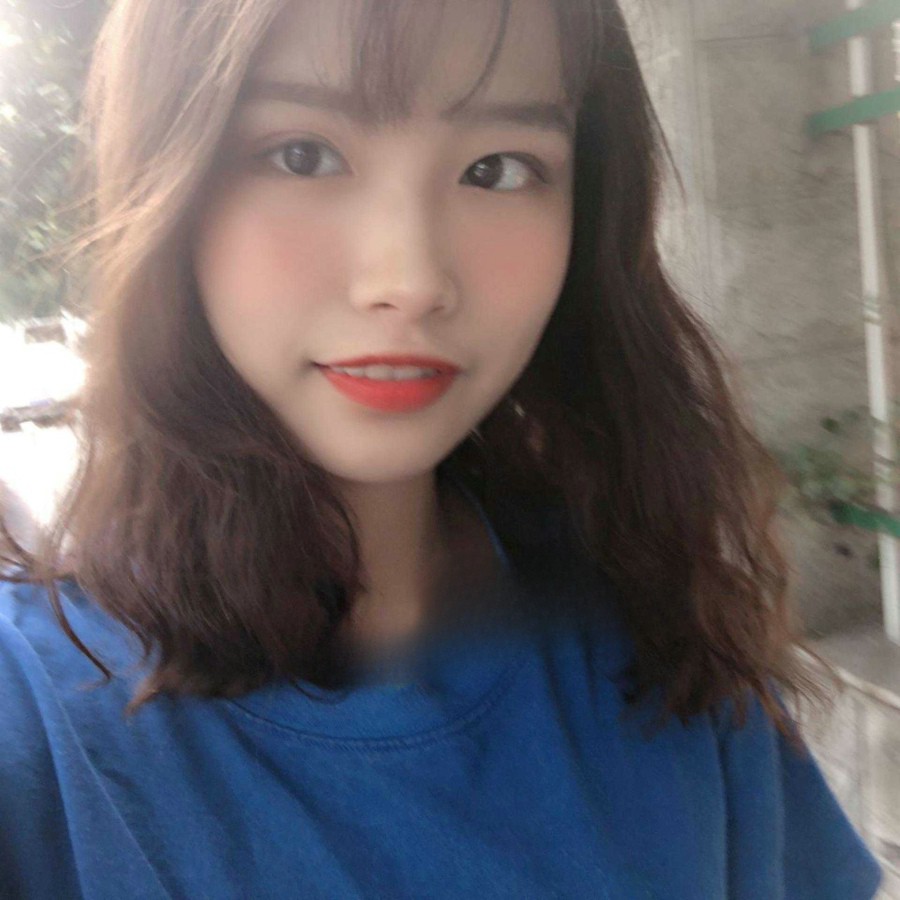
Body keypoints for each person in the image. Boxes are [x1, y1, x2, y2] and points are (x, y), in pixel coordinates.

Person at [0, 0, 884, 897]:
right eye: (302, 154)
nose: (412, 279)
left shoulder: (654, 613)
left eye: (498, 169)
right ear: (165, 185)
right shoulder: (36, 721)